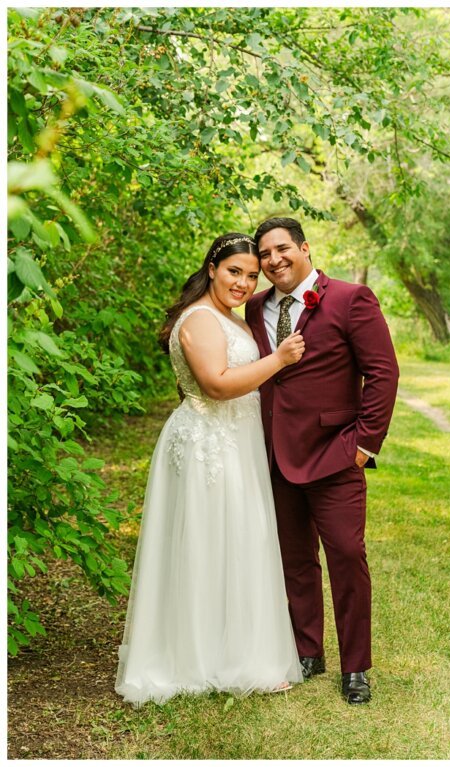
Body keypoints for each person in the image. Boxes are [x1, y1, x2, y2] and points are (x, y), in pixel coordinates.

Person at [116, 233, 306, 705]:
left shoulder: (225, 316)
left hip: (230, 440)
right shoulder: (200, 318)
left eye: (251, 275)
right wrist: (278, 360)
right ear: (212, 267)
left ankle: (237, 653)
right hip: (210, 443)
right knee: (208, 542)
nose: (243, 283)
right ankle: (199, 659)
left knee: (237, 541)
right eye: (234, 272)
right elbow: (216, 386)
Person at [245, 217, 399, 704]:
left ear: (304, 248)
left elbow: (383, 373)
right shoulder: (253, 308)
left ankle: (356, 667)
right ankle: (308, 651)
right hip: (274, 454)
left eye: (282, 249)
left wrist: (364, 443)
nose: (274, 261)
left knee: (348, 557)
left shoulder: (352, 298)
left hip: (335, 454)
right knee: (294, 559)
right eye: (265, 254)